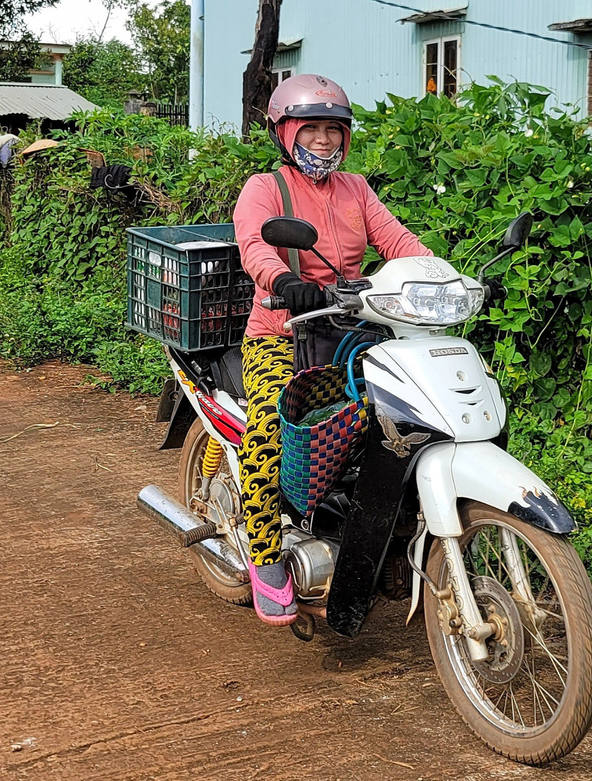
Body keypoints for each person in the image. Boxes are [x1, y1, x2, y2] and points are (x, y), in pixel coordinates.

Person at [233, 73, 433, 626]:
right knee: (270, 430)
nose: (323, 140)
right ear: (286, 132)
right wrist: (280, 281)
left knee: (405, 421)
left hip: (350, 332)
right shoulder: (264, 188)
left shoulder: (356, 189)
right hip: (281, 333)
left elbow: (398, 241)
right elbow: (254, 244)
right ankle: (266, 557)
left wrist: (440, 277)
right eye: (311, 128)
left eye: (334, 129)